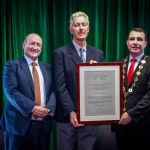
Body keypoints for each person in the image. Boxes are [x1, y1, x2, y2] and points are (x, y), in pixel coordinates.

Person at [52, 11, 105, 150]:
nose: (81, 28)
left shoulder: (98, 54)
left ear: (89, 28)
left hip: (90, 117)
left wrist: (98, 73)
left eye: (84, 24)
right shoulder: (60, 53)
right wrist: (71, 111)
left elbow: (102, 87)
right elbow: (59, 86)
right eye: (77, 25)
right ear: (71, 30)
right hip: (66, 117)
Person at [1, 33, 56, 150]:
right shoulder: (11, 65)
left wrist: (47, 109)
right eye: (32, 43)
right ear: (24, 45)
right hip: (18, 127)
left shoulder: (48, 68)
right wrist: (33, 108)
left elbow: (54, 91)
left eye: (38, 45)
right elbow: (11, 91)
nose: (35, 47)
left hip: (43, 127)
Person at [111, 28, 150, 150]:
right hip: (120, 126)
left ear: (145, 43)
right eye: (132, 39)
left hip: (142, 126)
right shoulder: (117, 64)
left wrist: (131, 114)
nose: (135, 42)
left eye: (139, 39)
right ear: (127, 42)